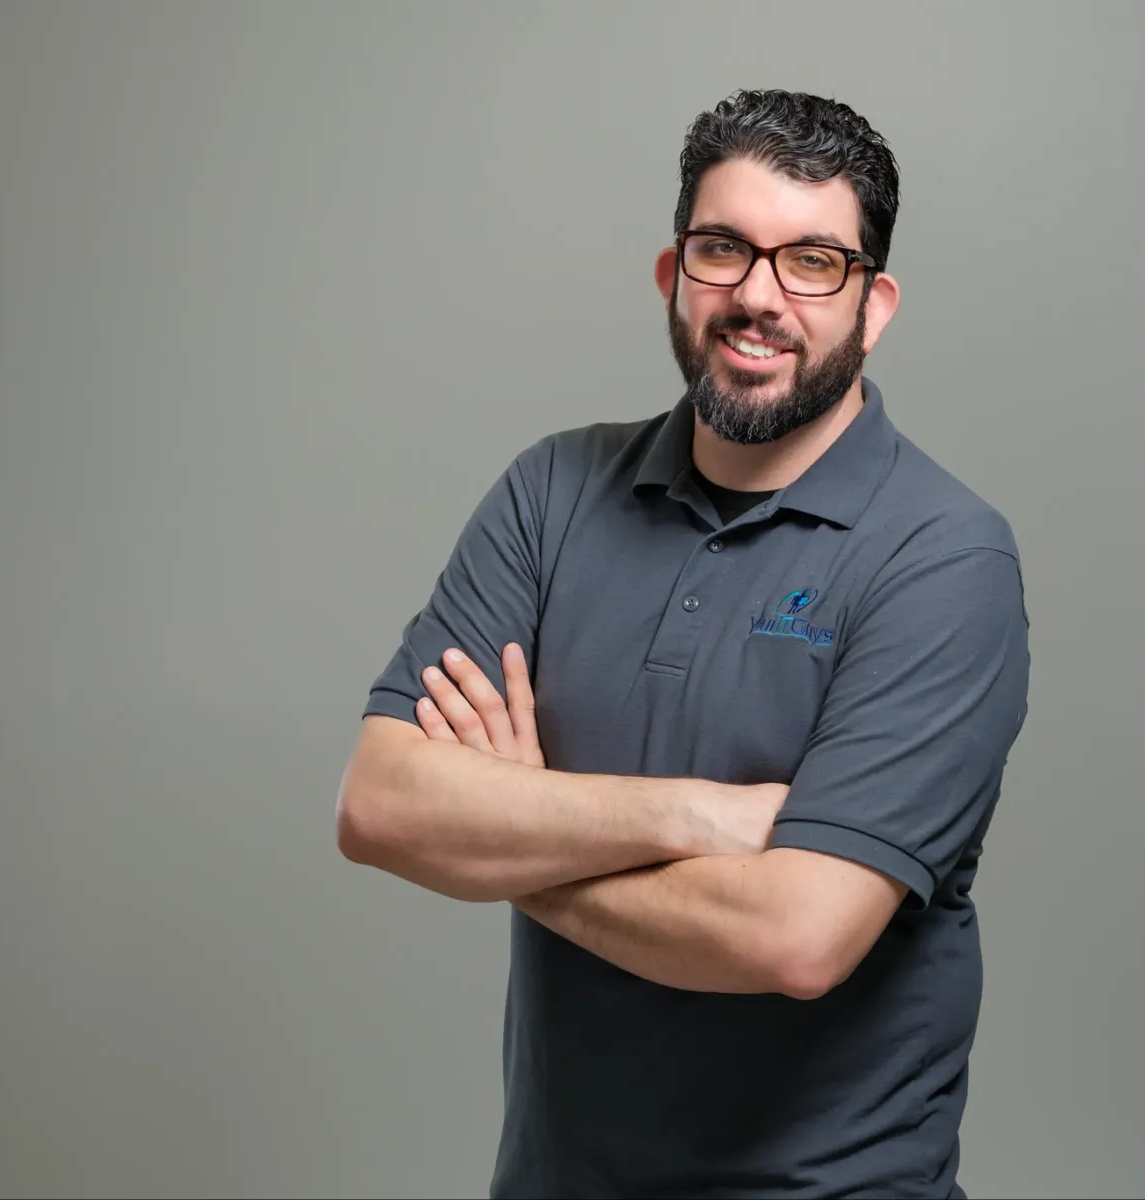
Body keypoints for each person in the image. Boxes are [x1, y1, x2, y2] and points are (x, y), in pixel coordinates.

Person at [336, 88, 1032, 1200]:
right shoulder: (551, 494)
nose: (758, 298)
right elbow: (378, 808)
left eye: (812, 261)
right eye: (723, 250)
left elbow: (796, 940)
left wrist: (523, 838)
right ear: (673, 274)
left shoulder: (942, 558)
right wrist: (698, 816)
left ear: (874, 302)